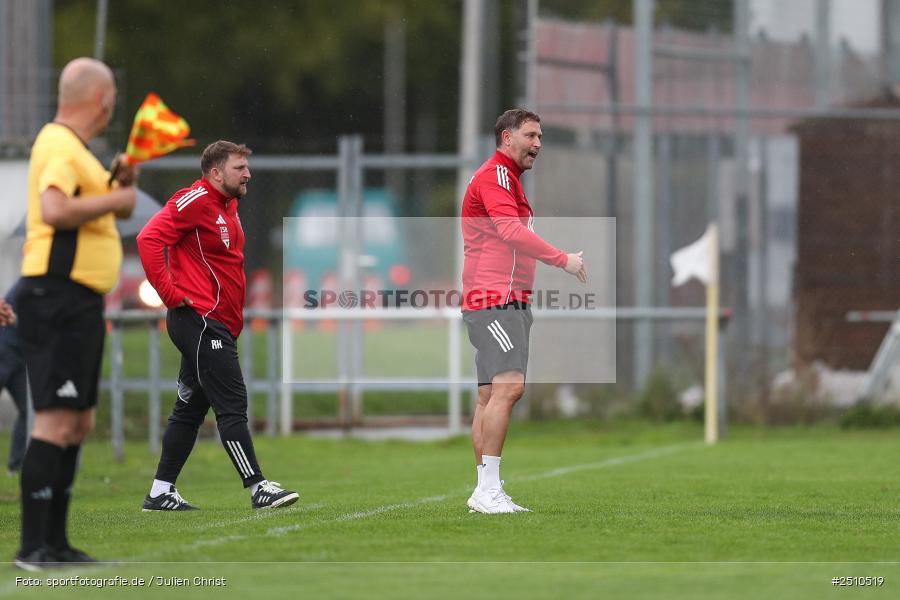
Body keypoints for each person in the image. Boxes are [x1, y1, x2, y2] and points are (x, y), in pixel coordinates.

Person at [13, 57, 138, 570]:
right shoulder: (59, 143)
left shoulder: (80, 151)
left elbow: (112, 206)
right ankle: (33, 549)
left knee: (80, 421)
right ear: (102, 100)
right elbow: (55, 209)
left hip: (80, 301)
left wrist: (118, 188)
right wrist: (114, 200)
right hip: (57, 297)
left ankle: (57, 545)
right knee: (55, 419)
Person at [136, 140, 298, 512]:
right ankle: (258, 486)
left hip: (218, 323)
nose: (248, 174)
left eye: (247, 167)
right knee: (232, 403)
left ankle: (160, 492)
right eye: (239, 168)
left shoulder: (229, 205)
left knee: (190, 410)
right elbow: (148, 238)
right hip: (200, 322)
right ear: (215, 172)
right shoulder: (194, 200)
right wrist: (170, 293)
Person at [461, 109, 586, 514]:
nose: (538, 144)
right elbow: (511, 232)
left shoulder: (509, 180)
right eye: (531, 135)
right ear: (506, 137)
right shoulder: (496, 176)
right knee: (509, 388)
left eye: (541, 136)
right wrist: (561, 259)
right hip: (494, 299)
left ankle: (486, 489)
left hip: (504, 299)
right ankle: (487, 491)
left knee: (488, 396)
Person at [0, 280, 28, 475]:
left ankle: (15, 466)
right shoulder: (26, 286)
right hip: (5, 353)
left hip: (18, 360)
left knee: (28, 411)